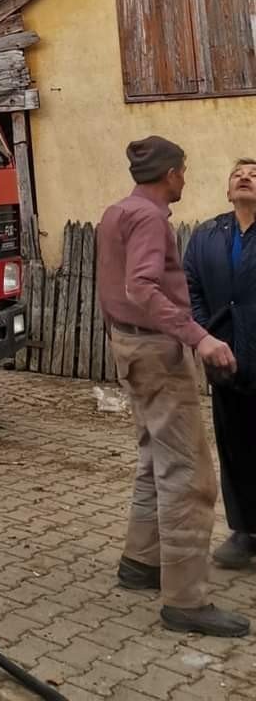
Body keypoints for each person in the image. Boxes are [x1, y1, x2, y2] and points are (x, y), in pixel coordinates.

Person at [96, 136, 248, 638]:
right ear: (170, 175)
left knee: (153, 458)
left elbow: (114, 287)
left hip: (132, 347)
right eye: (183, 170)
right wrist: (199, 337)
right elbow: (141, 286)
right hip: (157, 352)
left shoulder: (116, 212)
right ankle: (185, 600)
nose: (185, 177)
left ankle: (140, 563)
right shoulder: (150, 219)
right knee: (190, 474)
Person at [183, 158, 256, 569]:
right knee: (235, 445)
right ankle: (244, 531)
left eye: (255, 173)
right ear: (229, 191)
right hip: (225, 357)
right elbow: (189, 284)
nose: (245, 177)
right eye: (238, 174)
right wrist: (204, 329)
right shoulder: (207, 235)